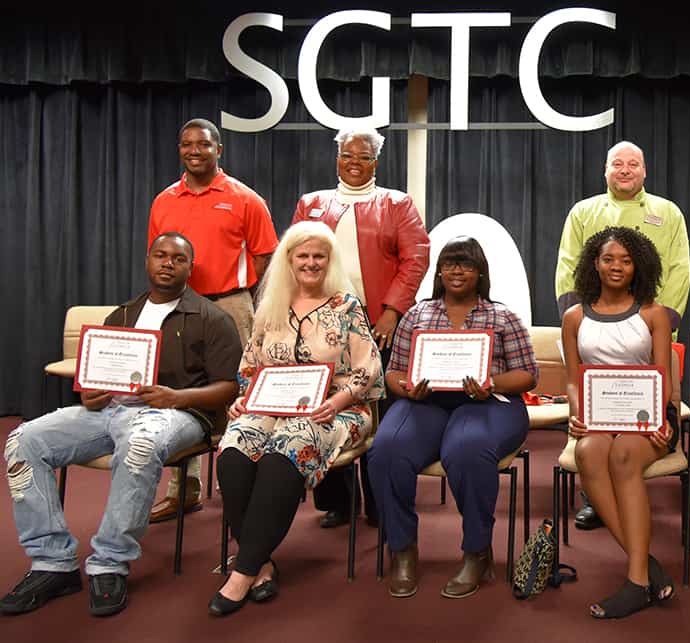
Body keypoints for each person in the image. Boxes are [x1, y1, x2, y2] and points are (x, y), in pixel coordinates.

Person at [1, 233, 241, 617]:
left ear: (189, 268)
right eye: (160, 255)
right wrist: (91, 394)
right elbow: (96, 379)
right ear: (147, 261)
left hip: (178, 414)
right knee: (23, 441)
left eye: (177, 259)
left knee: (140, 444)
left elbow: (230, 387)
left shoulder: (212, 319)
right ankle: (52, 562)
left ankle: (110, 562)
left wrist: (177, 397)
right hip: (110, 410)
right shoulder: (122, 315)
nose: (167, 263)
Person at [208, 222, 383, 616]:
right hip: (268, 406)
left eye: (318, 256)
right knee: (234, 451)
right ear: (289, 260)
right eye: (302, 255)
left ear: (330, 261)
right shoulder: (269, 306)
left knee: (281, 456)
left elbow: (369, 367)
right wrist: (242, 400)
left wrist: (338, 401)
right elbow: (250, 365)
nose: (310, 263)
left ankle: (243, 570)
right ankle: (263, 563)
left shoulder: (346, 307)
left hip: (336, 408)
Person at [369, 237, 537, 600]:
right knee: (386, 450)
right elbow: (395, 371)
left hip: (489, 402)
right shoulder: (417, 314)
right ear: (439, 272)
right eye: (449, 264)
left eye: (466, 264)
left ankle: (477, 551)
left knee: (467, 449)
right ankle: (401, 549)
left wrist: (490, 382)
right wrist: (407, 386)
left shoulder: (501, 316)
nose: (457, 271)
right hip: (426, 403)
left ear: (480, 273)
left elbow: (527, 374)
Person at [293, 126, 430, 530]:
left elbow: (415, 259)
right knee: (329, 407)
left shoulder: (397, 204)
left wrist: (391, 310)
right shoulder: (311, 203)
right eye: (347, 155)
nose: (355, 163)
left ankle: (381, 502)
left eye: (364, 157)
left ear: (376, 161)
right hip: (323, 324)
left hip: (378, 323)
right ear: (337, 158)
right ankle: (339, 502)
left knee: (380, 412)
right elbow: (296, 257)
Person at [146, 118, 279, 523]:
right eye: (186, 144)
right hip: (179, 306)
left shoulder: (244, 199)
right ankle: (184, 489)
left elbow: (265, 260)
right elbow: (158, 255)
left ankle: (240, 475)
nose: (194, 151)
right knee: (179, 388)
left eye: (203, 145)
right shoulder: (164, 200)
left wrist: (259, 311)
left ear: (218, 150)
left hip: (231, 304)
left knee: (242, 388)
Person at [555, 140, 690, 532]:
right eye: (618, 164)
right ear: (606, 170)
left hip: (648, 334)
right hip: (595, 332)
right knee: (598, 423)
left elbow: (680, 268)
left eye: (634, 164)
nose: (626, 170)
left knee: (638, 421)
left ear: (645, 171)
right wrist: (584, 320)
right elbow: (567, 266)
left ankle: (628, 491)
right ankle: (596, 499)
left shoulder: (667, 213)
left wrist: (652, 321)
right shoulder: (584, 212)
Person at [562, 227, 678, 618]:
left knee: (625, 456)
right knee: (590, 452)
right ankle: (645, 565)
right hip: (597, 415)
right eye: (609, 259)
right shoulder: (573, 317)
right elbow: (572, 378)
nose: (617, 267)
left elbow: (663, 378)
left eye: (626, 261)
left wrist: (660, 418)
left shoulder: (653, 313)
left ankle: (636, 582)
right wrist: (578, 413)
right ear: (594, 262)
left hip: (649, 416)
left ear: (638, 266)